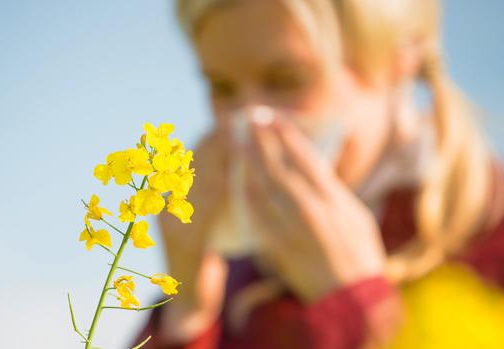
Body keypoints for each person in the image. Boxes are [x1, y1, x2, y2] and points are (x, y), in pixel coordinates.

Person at [134, 0, 504, 348]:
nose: (246, 121)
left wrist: (360, 308)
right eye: (222, 88)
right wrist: (186, 316)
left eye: (286, 79)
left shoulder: (489, 234)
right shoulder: (235, 261)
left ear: (400, 57)